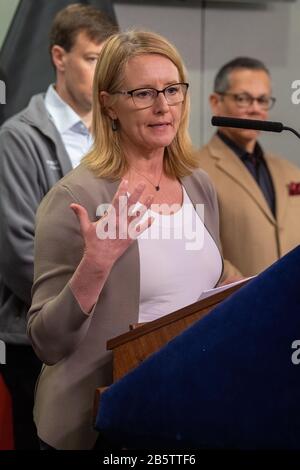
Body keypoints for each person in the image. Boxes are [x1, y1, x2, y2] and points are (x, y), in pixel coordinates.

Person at [27, 30, 230, 450]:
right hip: (100, 426)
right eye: (142, 93)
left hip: (182, 409)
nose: (163, 107)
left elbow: (204, 280)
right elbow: (47, 342)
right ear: (108, 103)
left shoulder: (199, 184)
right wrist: (95, 266)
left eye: (172, 89)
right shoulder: (76, 197)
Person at [0, 4, 118, 449]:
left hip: (106, 339)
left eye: (109, 63)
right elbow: (16, 252)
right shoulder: (17, 138)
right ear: (58, 56)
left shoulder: (116, 136)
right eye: (92, 59)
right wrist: (83, 302)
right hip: (37, 339)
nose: (103, 73)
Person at [197, 57, 300, 277]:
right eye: (243, 99)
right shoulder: (194, 172)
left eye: (262, 100)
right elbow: (198, 252)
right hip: (239, 305)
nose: (255, 109)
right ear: (216, 102)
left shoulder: (290, 171)